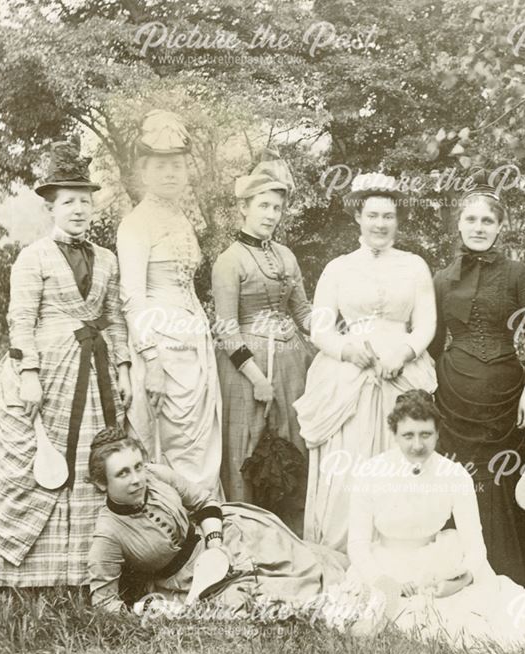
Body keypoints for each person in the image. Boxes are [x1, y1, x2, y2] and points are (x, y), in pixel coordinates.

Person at [0, 140, 131, 589]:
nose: (78, 210)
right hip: (49, 374)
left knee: (94, 462)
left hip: (97, 372)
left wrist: (123, 370)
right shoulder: (32, 258)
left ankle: (90, 573)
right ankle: (27, 576)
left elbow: (114, 318)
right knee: (39, 464)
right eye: (67, 202)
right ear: (51, 208)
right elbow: (20, 321)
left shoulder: (107, 259)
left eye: (84, 201)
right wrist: (28, 375)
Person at [331, 389, 525, 652]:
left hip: (436, 559)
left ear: (439, 433)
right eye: (408, 435)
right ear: (393, 434)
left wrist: (459, 581)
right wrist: (383, 581)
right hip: (384, 562)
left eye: (426, 434)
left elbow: (475, 546)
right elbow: (357, 543)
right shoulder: (370, 474)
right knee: (377, 614)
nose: (417, 445)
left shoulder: (454, 475)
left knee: (476, 612)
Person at [293, 173, 437, 552]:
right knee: (350, 467)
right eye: (372, 215)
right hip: (348, 378)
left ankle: (399, 553)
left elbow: (425, 325)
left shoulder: (414, 266)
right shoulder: (338, 268)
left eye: (388, 216)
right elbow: (319, 329)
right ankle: (343, 554)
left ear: (397, 220)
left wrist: (404, 352)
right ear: (358, 215)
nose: (379, 224)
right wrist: (346, 350)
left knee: (399, 461)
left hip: (400, 373)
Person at [86, 426, 347, 613]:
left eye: (138, 466)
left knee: (303, 562)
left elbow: (204, 501)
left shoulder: (157, 475)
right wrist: (145, 612)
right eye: (122, 473)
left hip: (221, 536)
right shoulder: (108, 533)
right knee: (264, 600)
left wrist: (214, 545)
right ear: (101, 483)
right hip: (188, 582)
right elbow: (104, 602)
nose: (137, 479)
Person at [427, 177, 525, 587]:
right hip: (453, 391)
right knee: (460, 476)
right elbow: (434, 341)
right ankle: (458, 572)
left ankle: (509, 572)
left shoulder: (517, 273)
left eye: (487, 220)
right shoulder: (442, 278)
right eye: (471, 219)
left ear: (499, 227)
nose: (478, 227)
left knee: (501, 477)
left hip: (506, 391)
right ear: (459, 225)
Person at [116, 110, 223, 495]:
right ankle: (173, 528)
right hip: (159, 346)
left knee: (198, 437)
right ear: (144, 172)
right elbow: (131, 297)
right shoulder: (135, 224)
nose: (171, 174)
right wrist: (153, 361)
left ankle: (205, 522)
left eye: (177, 165)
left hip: (194, 344)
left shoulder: (182, 219)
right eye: (161, 166)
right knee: (171, 441)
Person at [212, 149, 312, 532]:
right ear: (244, 208)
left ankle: (295, 538)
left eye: (277, 208)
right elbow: (225, 328)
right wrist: (256, 379)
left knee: (293, 446)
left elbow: (302, 313)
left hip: (291, 367)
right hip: (246, 374)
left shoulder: (286, 256)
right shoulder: (229, 260)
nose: (271, 214)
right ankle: (247, 539)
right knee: (248, 450)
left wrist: (336, 338)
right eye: (263, 205)